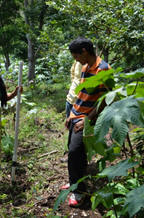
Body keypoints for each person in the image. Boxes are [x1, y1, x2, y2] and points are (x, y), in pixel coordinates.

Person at [65, 37, 110, 207]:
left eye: (75, 55)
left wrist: (87, 120)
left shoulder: (103, 69)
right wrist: (71, 113)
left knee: (75, 152)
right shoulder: (85, 67)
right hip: (75, 114)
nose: (75, 59)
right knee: (73, 152)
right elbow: (82, 94)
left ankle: (80, 192)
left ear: (84, 51)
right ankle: (74, 182)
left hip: (86, 118)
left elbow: (105, 100)